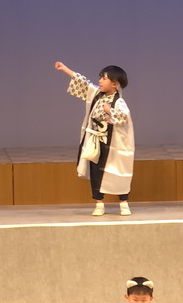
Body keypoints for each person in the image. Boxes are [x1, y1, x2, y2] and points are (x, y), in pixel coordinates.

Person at [53, 61, 135, 216]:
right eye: (101, 78)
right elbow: (84, 83)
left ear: (115, 84)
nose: (100, 81)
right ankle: (99, 203)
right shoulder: (96, 95)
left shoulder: (119, 102)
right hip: (96, 141)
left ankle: (123, 202)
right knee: (96, 171)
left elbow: (124, 117)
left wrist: (110, 111)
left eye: (104, 79)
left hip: (114, 145)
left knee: (118, 171)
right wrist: (65, 69)